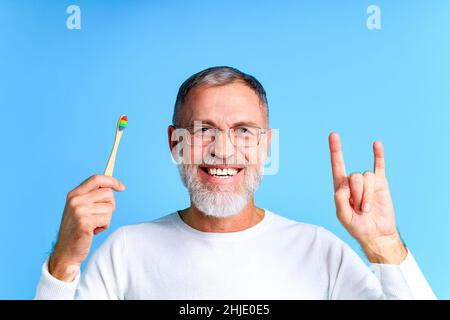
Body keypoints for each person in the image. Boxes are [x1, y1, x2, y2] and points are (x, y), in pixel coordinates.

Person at [35, 66, 436, 299]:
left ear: (266, 146)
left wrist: (385, 247)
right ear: (174, 143)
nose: (223, 151)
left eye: (243, 131)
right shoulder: (125, 252)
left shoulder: (321, 253)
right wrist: (64, 262)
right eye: (203, 129)